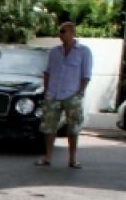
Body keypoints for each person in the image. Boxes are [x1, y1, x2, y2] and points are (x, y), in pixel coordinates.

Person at [37, 21, 93, 169]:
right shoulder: (55, 52)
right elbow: (47, 72)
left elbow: (86, 75)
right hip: (53, 94)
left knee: (72, 128)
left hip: (72, 94)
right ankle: (47, 156)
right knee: (49, 127)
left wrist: (79, 92)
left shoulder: (83, 51)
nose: (60, 34)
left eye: (63, 31)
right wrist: (47, 90)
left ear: (72, 33)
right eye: (60, 31)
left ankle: (72, 158)